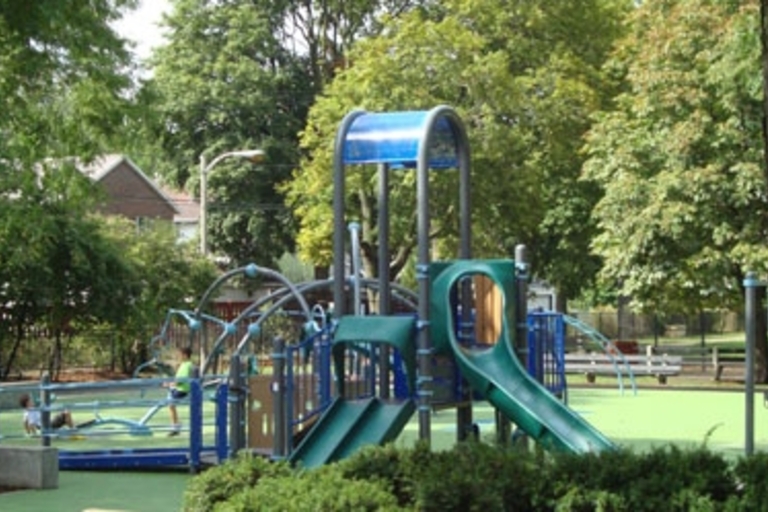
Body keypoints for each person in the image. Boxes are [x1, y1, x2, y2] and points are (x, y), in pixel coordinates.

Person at [165, 346, 195, 436]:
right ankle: (176, 425)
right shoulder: (184, 364)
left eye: (180, 355)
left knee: (170, 404)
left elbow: (182, 380)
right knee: (170, 403)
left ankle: (176, 426)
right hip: (179, 389)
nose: (179, 357)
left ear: (185, 355)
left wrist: (171, 384)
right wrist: (171, 384)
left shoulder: (187, 365)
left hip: (182, 390)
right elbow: (178, 379)